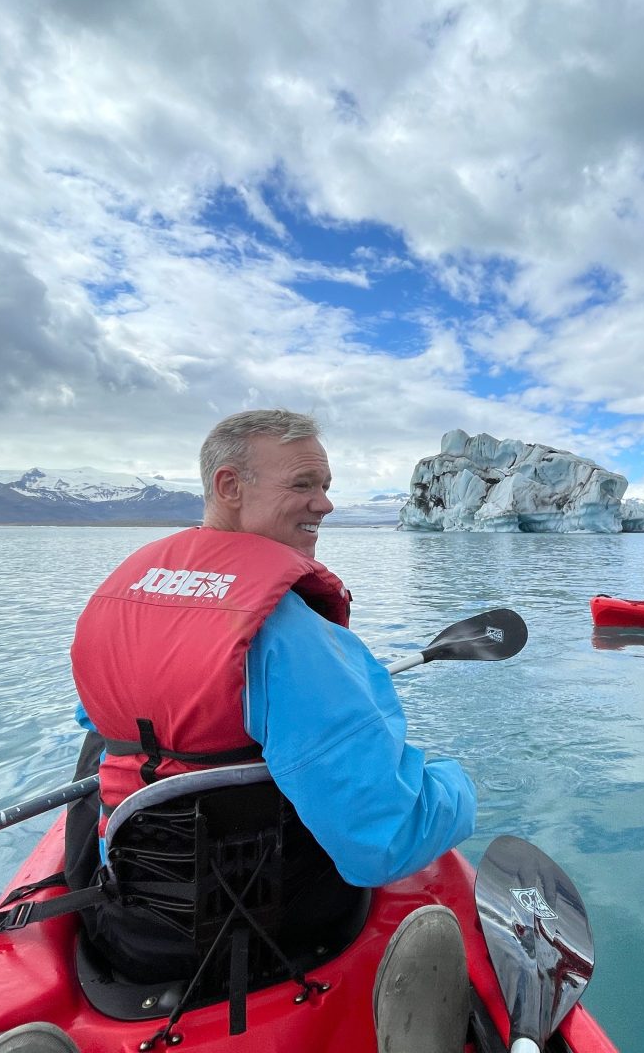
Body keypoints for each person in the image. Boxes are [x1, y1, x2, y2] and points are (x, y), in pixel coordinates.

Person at [64, 409, 476, 987]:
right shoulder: (290, 640)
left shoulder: (120, 594)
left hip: (123, 918)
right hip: (272, 929)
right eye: (303, 485)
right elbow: (382, 846)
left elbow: (99, 720)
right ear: (230, 486)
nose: (325, 504)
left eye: (326, 487)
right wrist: (458, 785)